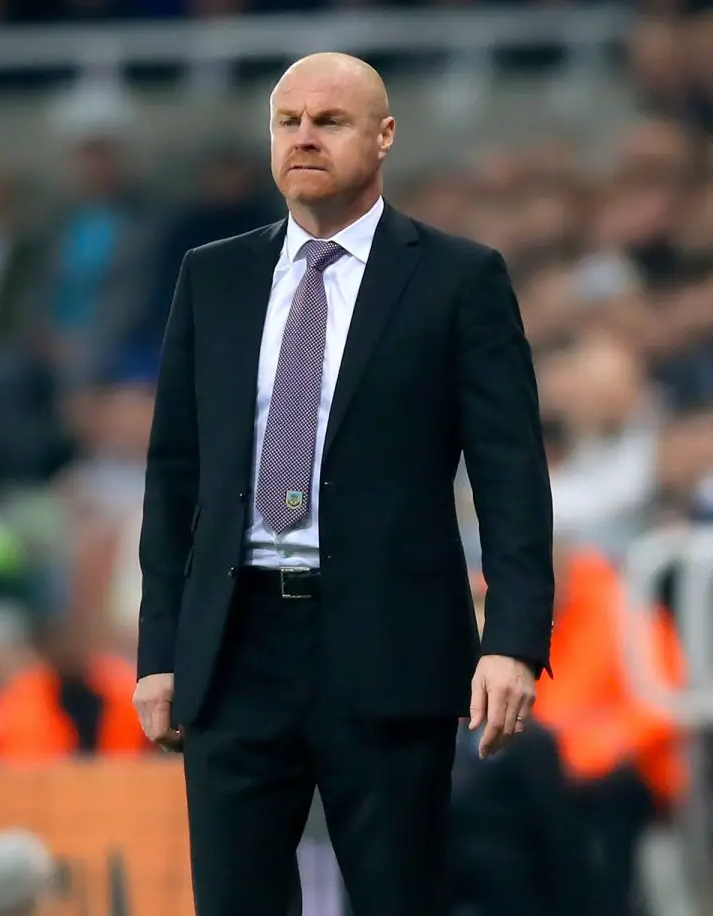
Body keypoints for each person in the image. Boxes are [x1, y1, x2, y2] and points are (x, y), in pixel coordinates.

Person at [133, 52, 554, 916]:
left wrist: (511, 640)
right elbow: (174, 476)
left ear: (384, 135)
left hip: (388, 645)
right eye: (287, 122)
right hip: (235, 646)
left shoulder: (457, 278)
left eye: (329, 121)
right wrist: (159, 652)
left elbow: (511, 476)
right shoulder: (213, 276)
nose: (304, 138)